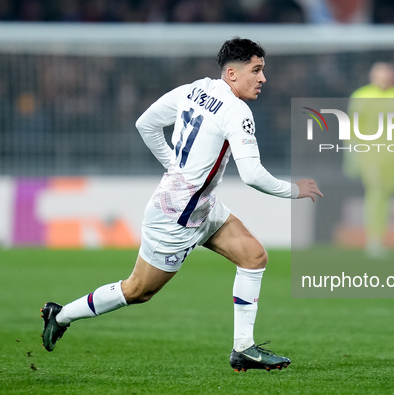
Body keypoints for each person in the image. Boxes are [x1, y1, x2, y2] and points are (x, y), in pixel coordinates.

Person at [40, 37, 323, 372]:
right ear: (232, 73)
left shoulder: (194, 89)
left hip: (200, 205)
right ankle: (62, 314)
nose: (263, 78)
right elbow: (252, 175)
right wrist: (295, 190)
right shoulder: (237, 111)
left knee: (254, 256)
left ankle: (243, 348)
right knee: (138, 290)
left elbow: (145, 124)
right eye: (256, 70)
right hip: (175, 217)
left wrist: (173, 167)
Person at [344, 62, 394, 258]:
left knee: (386, 195)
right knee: (375, 192)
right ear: (372, 76)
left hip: (392, 157)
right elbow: (352, 129)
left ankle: (379, 237)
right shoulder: (361, 96)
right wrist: (350, 156)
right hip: (369, 155)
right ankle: (373, 240)